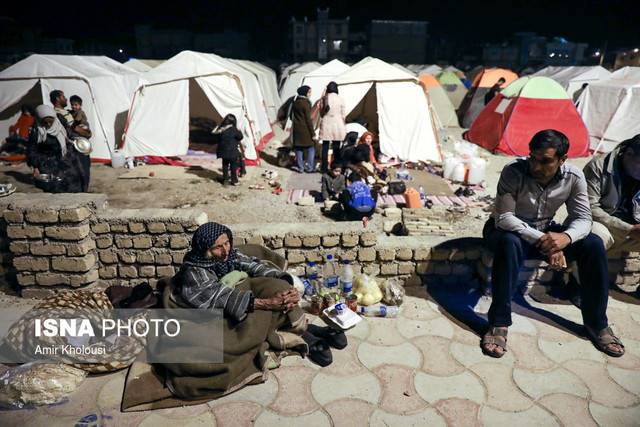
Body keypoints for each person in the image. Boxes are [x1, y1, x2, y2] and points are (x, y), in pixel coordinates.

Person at [482, 129, 624, 358]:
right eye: (533, 158)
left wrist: (565, 238)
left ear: (562, 160)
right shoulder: (513, 172)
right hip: (506, 230)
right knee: (509, 243)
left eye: (546, 161)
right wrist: (549, 243)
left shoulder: (573, 177)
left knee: (593, 245)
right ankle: (499, 323)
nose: (536, 167)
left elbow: (583, 218)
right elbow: (505, 218)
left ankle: (597, 324)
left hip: (544, 231)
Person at [172, 222, 344, 367]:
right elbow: (219, 297)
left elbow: (251, 265)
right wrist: (268, 303)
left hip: (235, 298)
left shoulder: (228, 255)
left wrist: (285, 282)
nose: (225, 250)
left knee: (276, 285)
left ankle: (302, 327)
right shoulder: (194, 271)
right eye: (218, 247)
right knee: (252, 317)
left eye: (227, 243)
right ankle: (305, 335)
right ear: (205, 250)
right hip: (213, 317)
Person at [585, 134, 640, 257]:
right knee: (594, 238)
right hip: (604, 226)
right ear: (629, 153)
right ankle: (580, 275)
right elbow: (589, 208)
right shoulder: (598, 166)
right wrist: (628, 229)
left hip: (633, 232)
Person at [26, 105, 90, 193]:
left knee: (75, 185)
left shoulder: (60, 121)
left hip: (67, 159)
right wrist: (35, 166)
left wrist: (78, 142)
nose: (48, 125)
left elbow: (69, 134)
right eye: (45, 122)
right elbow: (31, 150)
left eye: (50, 122)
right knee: (56, 189)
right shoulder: (36, 131)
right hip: (49, 163)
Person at [318, 82, 346, 173]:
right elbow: (343, 115)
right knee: (336, 146)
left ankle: (324, 168)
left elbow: (321, 113)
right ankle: (336, 166)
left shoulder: (324, 98)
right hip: (337, 123)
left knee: (325, 146)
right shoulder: (340, 99)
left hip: (326, 122)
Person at [212, 114, 243, 186]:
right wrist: (239, 131)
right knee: (233, 166)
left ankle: (225, 179)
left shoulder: (222, 129)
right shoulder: (234, 130)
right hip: (232, 152)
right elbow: (240, 137)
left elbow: (215, 136)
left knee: (225, 165)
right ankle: (234, 180)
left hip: (223, 152)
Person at [291, 86, 316, 173]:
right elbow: (308, 120)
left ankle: (300, 168)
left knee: (298, 148)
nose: (310, 94)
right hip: (305, 129)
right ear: (305, 93)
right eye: (309, 92)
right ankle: (309, 167)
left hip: (296, 128)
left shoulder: (295, 102)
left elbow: (291, 116)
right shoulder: (306, 103)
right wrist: (313, 133)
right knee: (311, 148)